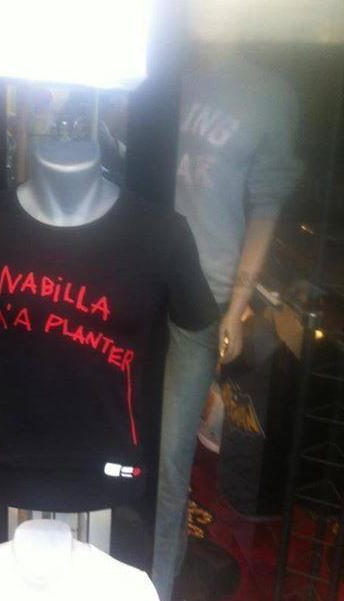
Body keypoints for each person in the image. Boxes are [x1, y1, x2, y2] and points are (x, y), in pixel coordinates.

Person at [151, 45, 302, 601]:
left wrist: (237, 305)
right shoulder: (161, 71)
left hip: (201, 298)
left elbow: (266, 204)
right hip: (133, 284)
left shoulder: (269, 94)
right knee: (122, 438)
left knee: (171, 458)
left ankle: (158, 585)